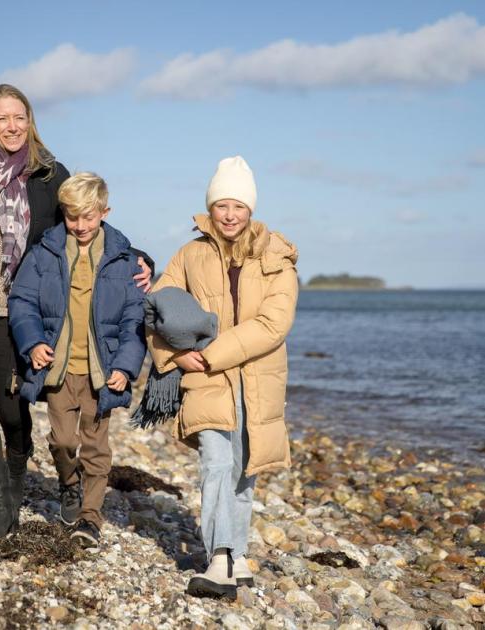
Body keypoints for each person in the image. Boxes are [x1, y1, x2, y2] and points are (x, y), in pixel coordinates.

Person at [0, 85, 152, 541]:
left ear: (30, 120)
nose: (12, 126)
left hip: (17, 306)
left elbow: (83, 225)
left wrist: (136, 257)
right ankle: (2, 503)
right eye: (2, 119)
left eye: (19, 117)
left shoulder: (48, 174)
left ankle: (18, 470)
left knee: (11, 407)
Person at [146, 156, 298, 599]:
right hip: (205, 380)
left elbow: (273, 325)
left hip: (258, 379)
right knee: (215, 462)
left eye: (238, 205)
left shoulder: (279, 258)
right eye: (221, 205)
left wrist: (208, 355)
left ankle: (240, 555)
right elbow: (155, 311)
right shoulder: (190, 255)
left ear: (250, 208)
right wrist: (174, 356)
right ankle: (219, 559)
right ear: (210, 208)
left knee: (244, 470)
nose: (229, 215)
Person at [7, 172, 147, 548]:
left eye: (89, 216)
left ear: (105, 211)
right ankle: (69, 484)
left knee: (96, 446)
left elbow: (135, 318)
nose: (81, 225)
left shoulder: (124, 260)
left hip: (102, 374)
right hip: (58, 369)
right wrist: (33, 342)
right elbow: (22, 302)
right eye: (73, 217)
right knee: (63, 442)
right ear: (64, 214)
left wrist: (125, 367)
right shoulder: (44, 253)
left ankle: (90, 518)